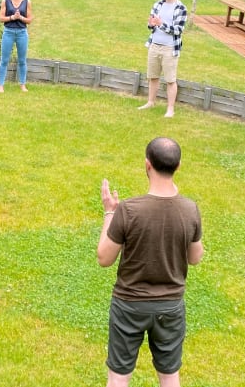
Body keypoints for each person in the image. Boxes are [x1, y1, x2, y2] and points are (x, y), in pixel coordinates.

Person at [97, 137, 204, 387]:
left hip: (129, 306)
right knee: (169, 378)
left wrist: (109, 212)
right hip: (170, 307)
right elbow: (195, 257)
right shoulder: (190, 209)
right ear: (178, 167)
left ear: (147, 165)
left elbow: (104, 258)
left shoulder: (129, 209)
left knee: (118, 378)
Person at [138, 0, 187, 118]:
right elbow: (150, 25)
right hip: (154, 45)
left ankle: (170, 109)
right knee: (152, 76)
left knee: (170, 80)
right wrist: (151, 24)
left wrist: (161, 24)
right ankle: (150, 102)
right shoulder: (158, 4)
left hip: (170, 48)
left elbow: (178, 30)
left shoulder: (181, 8)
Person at [0, 0, 34, 93]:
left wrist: (20, 17)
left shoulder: (27, 2)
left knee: (22, 60)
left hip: (22, 33)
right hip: (8, 32)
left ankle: (22, 85)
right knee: (4, 60)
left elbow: (29, 20)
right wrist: (12, 17)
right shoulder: (5, 0)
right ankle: (0, 86)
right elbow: (1, 18)